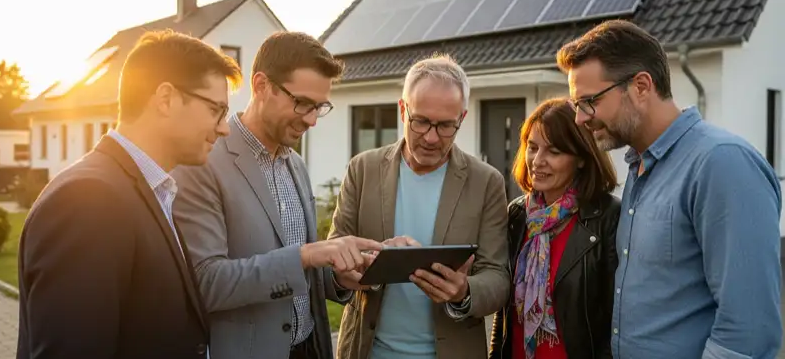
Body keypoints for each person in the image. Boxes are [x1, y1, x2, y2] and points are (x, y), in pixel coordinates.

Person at [560, 19, 782, 358]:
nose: (580, 118)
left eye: (589, 101)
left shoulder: (721, 164)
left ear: (641, 86)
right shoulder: (640, 166)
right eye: (577, 105)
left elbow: (748, 330)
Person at [16, 30, 242, 359]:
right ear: (166, 99)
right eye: (215, 110)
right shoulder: (88, 201)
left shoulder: (151, 190)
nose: (224, 128)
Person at [171, 31, 383, 359]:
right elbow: (206, 283)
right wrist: (306, 255)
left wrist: (341, 275)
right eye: (302, 103)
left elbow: (304, 274)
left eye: (319, 107)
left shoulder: (295, 164)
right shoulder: (203, 163)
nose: (312, 120)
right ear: (261, 86)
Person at [328, 54, 511, 359]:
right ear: (403, 110)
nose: (431, 137)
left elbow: (498, 277)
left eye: (446, 126)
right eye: (421, 121)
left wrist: (464, 292)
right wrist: (361, 265)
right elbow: (334, 254)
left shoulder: (486, 182)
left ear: (462, 118)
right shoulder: (363, 169)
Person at [488, 97, 621, 359]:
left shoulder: (607, 217)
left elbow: (615, 323)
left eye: (554, 152)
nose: (537, 161)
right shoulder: (518, 215)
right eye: (532, 147)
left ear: (581, 157)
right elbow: (503, 316)